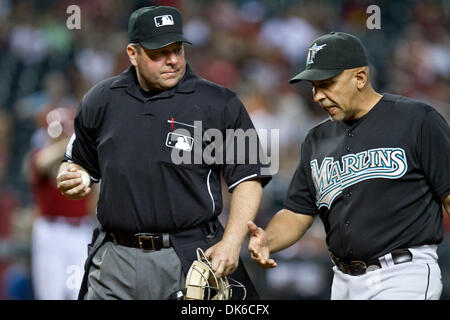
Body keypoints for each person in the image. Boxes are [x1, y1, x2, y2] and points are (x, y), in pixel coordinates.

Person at [56, 6, 271, 300]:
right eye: (159, 52)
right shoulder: (101, 99)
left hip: (187, 254)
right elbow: (77, 163)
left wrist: (232, 242)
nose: (172, 60)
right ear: (133, 54)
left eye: (177, 49)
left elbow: (249, 177)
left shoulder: (219, 103)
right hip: (114, 259)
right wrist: (73, 176)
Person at [248, 32, 450, 300]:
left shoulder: (416, 120)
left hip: (402, 274)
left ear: (360, 78)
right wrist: (267, 241)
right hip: (342, 281)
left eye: (327, 84)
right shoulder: (316, 139)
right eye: (313, 86)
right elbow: (297, 213)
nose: (318, 96)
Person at [26, 106, 94, 299]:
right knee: (51, 294)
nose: (58, 135)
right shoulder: (40, 154)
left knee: (78, 293)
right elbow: (42, 162)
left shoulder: (84, 159)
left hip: (80, 231)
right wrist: (72, 141)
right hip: (51, 232)